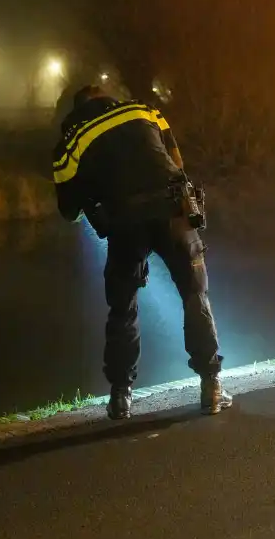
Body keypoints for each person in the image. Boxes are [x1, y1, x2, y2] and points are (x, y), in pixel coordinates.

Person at [52, 84, 232, 419]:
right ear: (108, 98)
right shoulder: (143, 110)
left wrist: (99, 185)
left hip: (125, 223)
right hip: (173, 210)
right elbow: (175, 160)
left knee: (123, 308)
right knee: (195, 295)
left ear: (74, 111)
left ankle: (120, 396)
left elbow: (69, 210)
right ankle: (212, 386)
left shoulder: (72, 139)